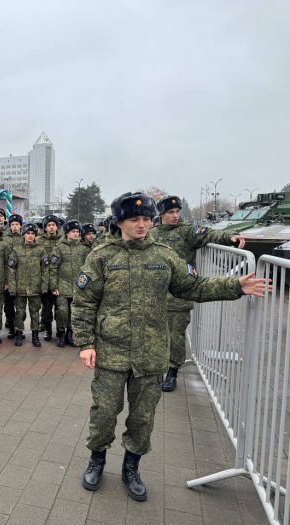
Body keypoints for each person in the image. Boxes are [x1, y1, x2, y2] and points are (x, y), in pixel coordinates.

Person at [73, 192, 269, 502]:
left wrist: (235, 286)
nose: (142, 224)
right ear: (120, 221)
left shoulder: (164, 256)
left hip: (151, 352)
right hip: (111, 350)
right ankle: (97, 460)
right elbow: (84, 302)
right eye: (135, 219)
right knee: (105, 412)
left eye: (146, 219)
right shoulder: (101, 256)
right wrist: (85, 343)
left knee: (142, 417)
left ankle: (131, 468)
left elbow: (192, 286)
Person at [149, 195, 246, 392]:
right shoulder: (152, 234)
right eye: (171, 213)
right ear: (161, 214)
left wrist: (230, 237)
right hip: (154, 295)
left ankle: (172, 371)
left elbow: (209, 234)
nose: (175, 216)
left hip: (179, 295)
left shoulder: (187, 231)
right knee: (155, 334)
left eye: (177, 212)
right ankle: (155, 368)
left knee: (175, 336)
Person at [7, 222, 50, 347]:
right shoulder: (16, 249)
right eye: (28, 233)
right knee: (19, 312)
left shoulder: (41, 250)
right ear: (24, 235)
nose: (30, 236)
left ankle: (35, 336)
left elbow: (45, 269)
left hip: (35, 287)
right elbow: (11, 269)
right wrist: (13, 286)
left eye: (32, 234)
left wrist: (44, 286)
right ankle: (19, 334)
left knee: (35, 312)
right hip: (20, 286)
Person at [51, 219, 90, 347]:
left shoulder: (84, 248)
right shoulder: (59, 248)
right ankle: (61, 334)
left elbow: (88, 269)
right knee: (62, 311)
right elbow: (53, 268)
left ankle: (70, 335)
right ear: (67, 233)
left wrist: (86, 286)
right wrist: (54, 286)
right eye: (73, 231)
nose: (76, 234)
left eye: (78, 231)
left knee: (74, 313)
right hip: (62, 285)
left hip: (78, 287)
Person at [37, 215, 61, 342]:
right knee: (46, 307)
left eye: (53, 225)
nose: (51, 227)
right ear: (45, 228)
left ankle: (60, 330)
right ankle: (48, 330)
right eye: (49, 225)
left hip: (59, 278)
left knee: (60, 308)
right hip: (44, 278)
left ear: (57, 226)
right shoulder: (39, 241)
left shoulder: (63, 240)